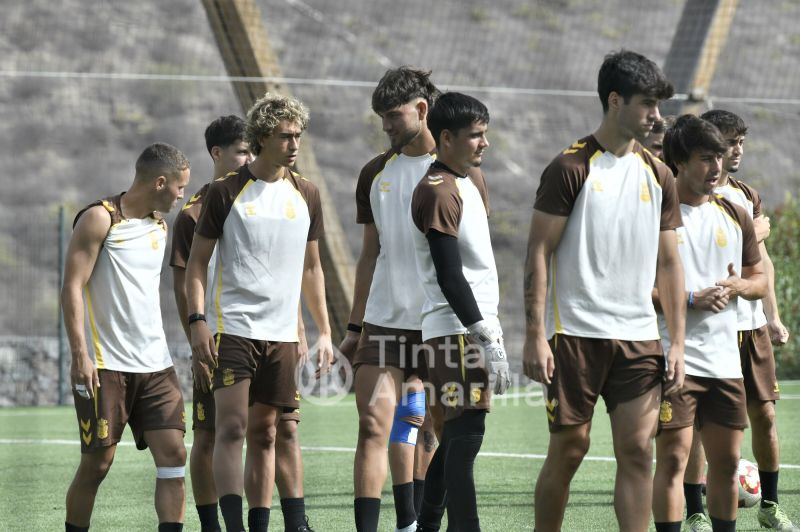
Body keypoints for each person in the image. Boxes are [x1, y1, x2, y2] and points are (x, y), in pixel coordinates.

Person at [522, 50, 685, 532]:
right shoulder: (570, 168)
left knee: (638, 451)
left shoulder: (660, 175)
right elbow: (537, 252)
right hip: (574, 333)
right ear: (615, 101)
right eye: (647, 103)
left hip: (638, 338)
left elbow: (671, 263)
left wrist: (675, 341)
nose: (656, 116)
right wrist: (534, 335)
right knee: (571, 449)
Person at [185, 94, 332, 532]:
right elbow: (196, 265)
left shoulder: (306, 192)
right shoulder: (225, 191)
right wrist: (197, 324)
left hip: (283, 335)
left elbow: (312, 267)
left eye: (298, 135)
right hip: (234, 330)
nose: (294, 144)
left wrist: (323, 330)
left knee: (268, 434)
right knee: (230, 429)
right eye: (285, 135)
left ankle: (263, 524)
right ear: (263, 136)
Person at [674, 109, 797, 531]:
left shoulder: (745, 198)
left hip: (749, 326)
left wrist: (773, 315)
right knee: (695, 430)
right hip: (699, 333)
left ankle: (769, 505)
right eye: (728, 144)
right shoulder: (673, 202)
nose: (735, 152)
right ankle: (694, 509)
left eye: (739, 143)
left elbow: (760, 266)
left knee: (763, 415)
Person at [62, 142, 191, 532]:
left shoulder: (160, 224)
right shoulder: (99, 219)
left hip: (157, 367)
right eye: (179, 187)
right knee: (98, 464)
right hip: (105, 367)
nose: (182, 195)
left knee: (173, 456)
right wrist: (80, 354)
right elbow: (71, 286)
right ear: (160, 181)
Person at [651, 114, 767, 532]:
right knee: (672, 461)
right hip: (674, 360)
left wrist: (737, 286)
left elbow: (760, 279)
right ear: (679, 161)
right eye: (705, 157)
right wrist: (688, 299)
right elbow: (632, 289)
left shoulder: (736, 213)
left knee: (727, 464)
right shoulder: (655, 216)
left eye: (719, 156)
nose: (716, 166)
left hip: (725, 364)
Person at [338, 66, 440, 532]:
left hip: (439, 324)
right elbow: (368, 254)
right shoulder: (374, 172)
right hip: (382, 324)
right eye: (382, 118)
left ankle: (412, 522)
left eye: (394, 116)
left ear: (422, 110)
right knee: (373, 426)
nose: (387, 127)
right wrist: (354, 327)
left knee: (428, 430)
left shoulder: (457, 171)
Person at [410, 91, 510, 532]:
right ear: (445, 138)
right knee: (467, 436)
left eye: (485, 134)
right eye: (475, 136)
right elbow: (450, 276)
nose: (484, 143)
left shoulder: (471, 180)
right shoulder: (437, 191)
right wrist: (483, 334)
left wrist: (490, 329)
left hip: (470, 327)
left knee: (457, 436)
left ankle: (428, 523)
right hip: (456, 331)